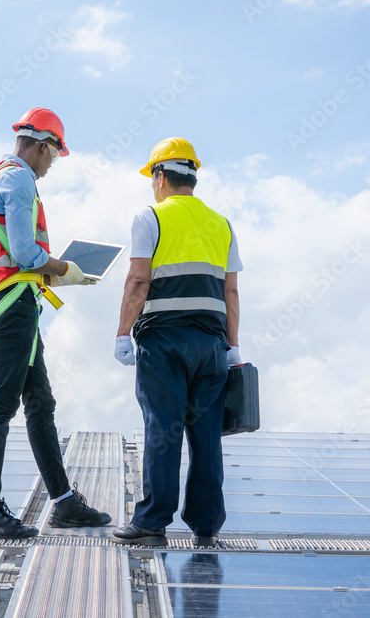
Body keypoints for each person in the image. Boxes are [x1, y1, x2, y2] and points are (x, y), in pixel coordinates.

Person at [0, 107, 112, 539]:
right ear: (42, 145)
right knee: (2, 402)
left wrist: (57, 272)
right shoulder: (18, 180)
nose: (52, 165)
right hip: (10, 303)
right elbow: (25, 252)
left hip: (10, 299)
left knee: (39, 403)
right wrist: (65, 267)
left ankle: (63, 501)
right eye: (54, 155)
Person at [111, 137, 243, 548]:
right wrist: (233, 346)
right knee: (206, 436)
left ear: (160, 176)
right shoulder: (221, 224)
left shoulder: (150, 217)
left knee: (162, 430)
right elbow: (231, 292)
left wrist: (121, 333)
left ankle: (152, 523)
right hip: (212, 345)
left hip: (164, 341)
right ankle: (207, 526)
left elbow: (137, 280)